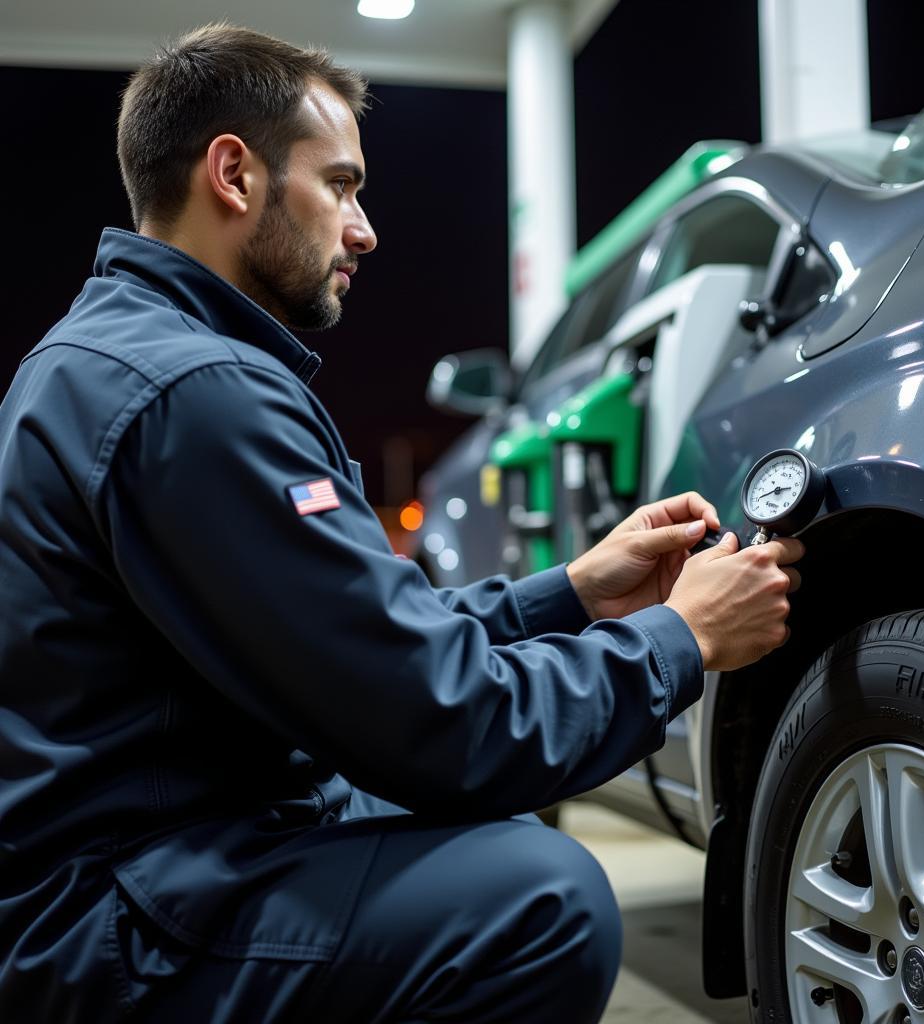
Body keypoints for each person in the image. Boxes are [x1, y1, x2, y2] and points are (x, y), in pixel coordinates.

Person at [0, 23, 803, 1024]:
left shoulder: (120, 355)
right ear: (235, 175)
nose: (364, 226)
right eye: (339, 185)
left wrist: (574, 592)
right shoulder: (193, 392)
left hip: (148, 847)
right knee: (540, 901)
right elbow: (438, 720)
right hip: (111, 920)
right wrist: (676, 640)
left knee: (460, 821)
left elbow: (364, 631)